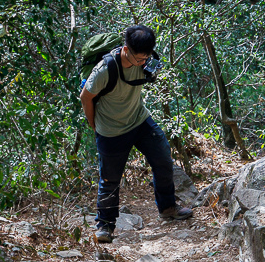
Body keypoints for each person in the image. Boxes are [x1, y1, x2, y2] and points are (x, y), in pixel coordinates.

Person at [79, 25, 192, 243]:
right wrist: (94, 124)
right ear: (126, 49)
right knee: (110, 180)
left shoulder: (148, 60)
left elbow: (150, 75)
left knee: (163, 160)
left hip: (139, 120)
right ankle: (105, 226)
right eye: (138, 59)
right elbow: (86, 97)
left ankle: (167, 207)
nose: (142, 63)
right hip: (111, 130)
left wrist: (147, 65)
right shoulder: (105, 69)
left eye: (145, 58)